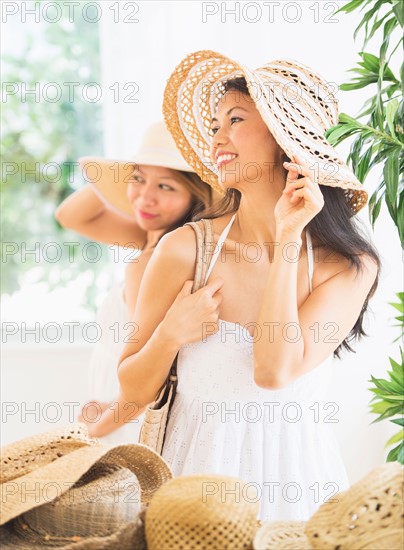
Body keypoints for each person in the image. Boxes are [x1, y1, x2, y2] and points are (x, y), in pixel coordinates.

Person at [117, 52, 381, 520]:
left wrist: (286, 239)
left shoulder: (346, 265)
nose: (217, 136)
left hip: (297, 483)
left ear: (285, 141)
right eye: (216, 124)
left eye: (235, 119)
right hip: (194, 482)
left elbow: (273, 373)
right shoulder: (184, 249)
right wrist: (171, 334)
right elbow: (132, 389)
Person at [55, 121, 212, 445]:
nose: (145, 198)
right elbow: (70, 215)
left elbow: (151, 379)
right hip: (116, 405)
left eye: (166, 187)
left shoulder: (151, 260)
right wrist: (135, 178)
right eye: (137, 180)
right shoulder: (150, 236)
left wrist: (90, 433)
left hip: (125, 415)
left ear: (196, 196)